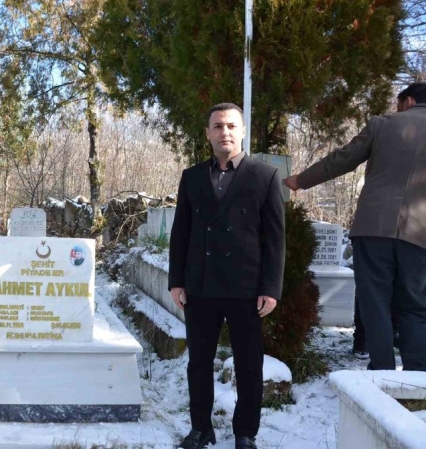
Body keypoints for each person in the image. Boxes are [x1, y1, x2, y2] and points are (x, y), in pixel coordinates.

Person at [284, 82, 426, 372]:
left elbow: (343, 159)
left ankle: (382, 372)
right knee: (415, 307)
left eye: (398, 104)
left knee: (375, 303)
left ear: (409, 101)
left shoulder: (381, 125)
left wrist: (301, 180)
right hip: (420, 235)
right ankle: (418, 378)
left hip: (373, 228)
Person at [169, 103, 285, 449]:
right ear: (208, 133)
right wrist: (177, 280)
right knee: (198, 363)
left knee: (249, 365)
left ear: (243, 131)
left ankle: (245, 432)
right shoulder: (192, 177)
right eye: (218, 126)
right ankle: (200, 428)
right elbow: (181, 232)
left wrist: (270, 287)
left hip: (246, 287)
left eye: (232, 126)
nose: (225, 132)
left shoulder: (265, 176)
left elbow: (275, 238)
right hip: (201, 285)